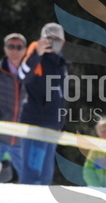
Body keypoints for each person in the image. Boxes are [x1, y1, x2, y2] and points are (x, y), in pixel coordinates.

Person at [18, 23, 68, 185]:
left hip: (53, 125)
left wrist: (60, 122)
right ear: (41, 40)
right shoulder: (35, 58)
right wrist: (36, 54)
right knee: (32, 173)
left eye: (56, 39)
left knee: (46, 175)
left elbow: (61, 96)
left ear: (63, 42)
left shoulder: (61, 63)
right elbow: (22, 76)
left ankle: (41, 202)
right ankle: (26, 201)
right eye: (49, 39)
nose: (52, 42)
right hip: (35, 123)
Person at [0, 33, 28, 182]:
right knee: (4, 176)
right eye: (11, 46)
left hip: (22, 139)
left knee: (31, 181)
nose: (15, 50)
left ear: (25, 50)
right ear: (5, 49)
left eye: (19, 47)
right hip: (0, 136)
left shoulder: (33, 74)